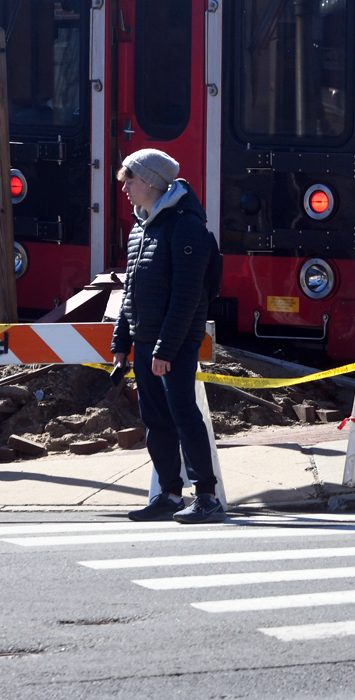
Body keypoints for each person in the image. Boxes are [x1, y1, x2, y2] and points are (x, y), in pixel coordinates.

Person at [110, 148, 224, 523]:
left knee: (183, 416)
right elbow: (131, 293)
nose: (125, 188)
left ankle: (206, 496)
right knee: (156, 420)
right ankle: (170, 494)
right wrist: (121, 344)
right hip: (146, 342)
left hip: (174, 344)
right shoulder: (141, 227)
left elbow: (188, 296)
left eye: (130, 180)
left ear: (151, 181)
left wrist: (165, 349)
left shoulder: (185, 226)